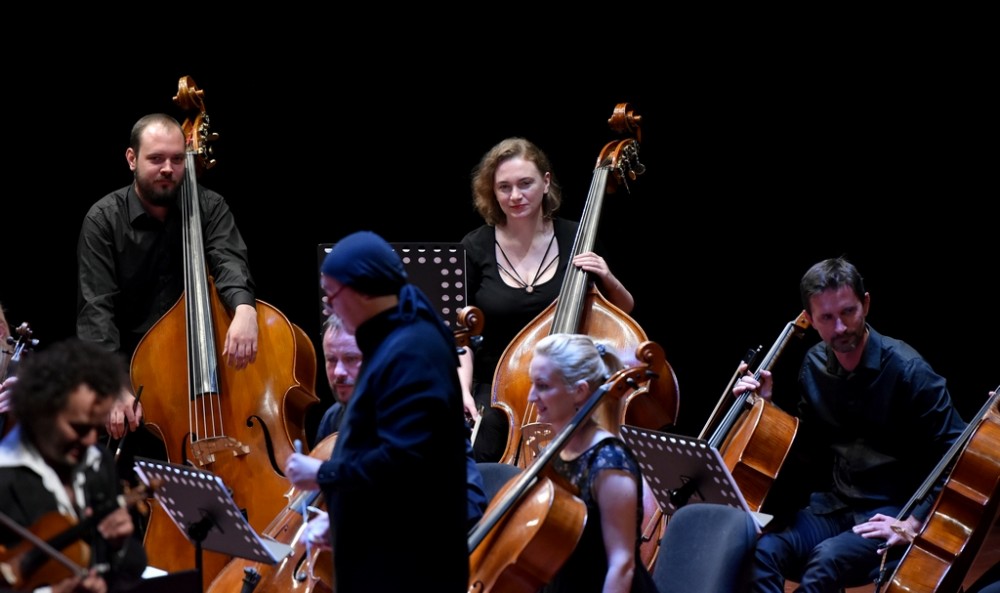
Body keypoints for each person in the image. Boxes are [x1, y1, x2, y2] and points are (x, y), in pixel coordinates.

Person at [733, 256, 967, 592]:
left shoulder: (909, 371)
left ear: (866, 304)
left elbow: (958, 452)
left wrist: (915, 523)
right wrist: (766, 408)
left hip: (892, 510)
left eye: (848, 312)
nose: (840, 328)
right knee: (764, 551)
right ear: (810, 319)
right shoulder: (814, 365)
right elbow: (808, 449)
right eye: (827, 318)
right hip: (837, 505)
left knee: (825, 563)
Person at [288, 230, 470, 592]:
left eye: (332, 296)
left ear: (364, 291)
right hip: (389, 552)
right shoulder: (397, 336)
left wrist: (323, 473)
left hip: (409, 568)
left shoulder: (412, 351)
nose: (330, 308)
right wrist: (346, 522)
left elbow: (404, 464)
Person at [76, 113, 258, 440]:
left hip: (207, 377)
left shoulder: (210, 207)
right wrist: (112, 385)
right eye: (156, 158)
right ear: (132, 159)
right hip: (132, 382)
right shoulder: (103, 220)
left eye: (177, 159)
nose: (168, 169)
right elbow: (96, 312)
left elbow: (229, 260)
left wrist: (245, 309)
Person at [460, 137, 635, 463]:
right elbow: (461, 335)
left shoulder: (578, 237)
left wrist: (607, 277)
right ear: (492, 192)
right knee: (475, 460)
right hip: (497, 392)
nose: (515, 196)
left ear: (545, 182)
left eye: (525, 183)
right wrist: (462, 391)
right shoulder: (475, 246)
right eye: (504, 187)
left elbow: (621, 312)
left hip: (569, 388)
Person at [293, 312, 488, 529]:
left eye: (351, 359)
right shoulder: (334, 418)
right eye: (331, 360)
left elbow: (469, 506)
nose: (338, 372)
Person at [0, 338, 147, 593]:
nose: (90, 439)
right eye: (78, 428)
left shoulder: (97, 462)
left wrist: (120, 544)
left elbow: (133, 565)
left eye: (95, 428)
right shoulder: (7, 478)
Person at [525, 332, 657, 593]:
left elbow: (622, 565)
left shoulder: (610, 461)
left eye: (543, 386)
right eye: (532, 384)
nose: (531, 396)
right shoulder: (555, 451)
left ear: (579, 391)